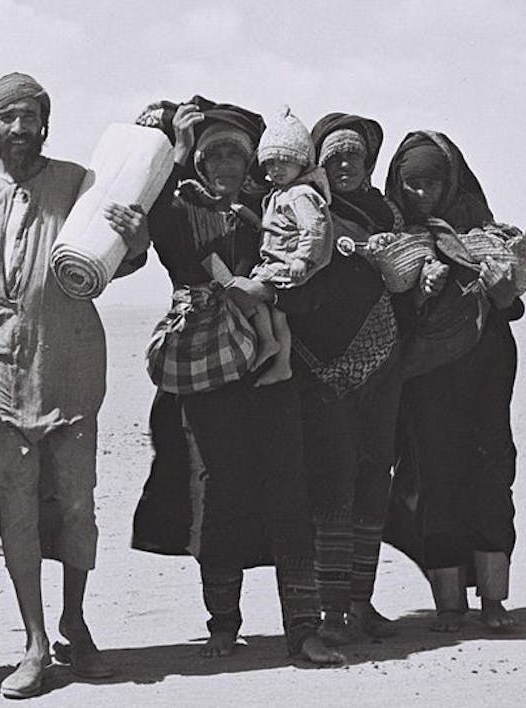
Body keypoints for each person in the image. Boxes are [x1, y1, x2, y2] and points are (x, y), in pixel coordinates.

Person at [0, 71, 149, 698]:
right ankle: (35, 641)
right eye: (9, 117)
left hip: (74, 365)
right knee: (16, 511)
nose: (21, 128)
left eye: (31, 116)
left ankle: (76, 621)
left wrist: (136, 240)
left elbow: (118, 259)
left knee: (78, 505)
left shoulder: (79, 183)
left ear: (46, 124)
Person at [139, 97, 343, 665]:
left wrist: (268, 292)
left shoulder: (272, 205)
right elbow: (166, 234)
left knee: (289, 491)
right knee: (217, 493)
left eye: (235, 154)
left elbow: (311, 276)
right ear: (200, 163)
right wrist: (178, 152)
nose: (225, 164)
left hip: (269, 370)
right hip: (204, 365)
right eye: (214, 155)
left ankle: (303, 629)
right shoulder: (179, 207)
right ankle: (223, 625)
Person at [383, 130, 523, 633]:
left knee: (492, 477)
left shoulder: (483, 229)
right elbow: (386, 311)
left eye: (432, 182)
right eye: (412, 184)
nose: (422, 193)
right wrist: (418, 294)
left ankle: (493, 601)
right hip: (427, 377)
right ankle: (448, 605)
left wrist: (503, 292)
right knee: (436, 480)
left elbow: (511, 306)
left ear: (451, 181)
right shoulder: (393, 237)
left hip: (487, 371)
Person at [286, 113, 411, 645]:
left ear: (368, 162)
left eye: (353, 155)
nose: (343, 165)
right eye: (333, 156)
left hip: (383, 364)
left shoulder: (386, 212)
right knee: (333, 484)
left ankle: (361, 602)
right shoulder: (303, 205)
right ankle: (332, 610)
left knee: (373, 479)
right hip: (319, 366)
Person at [239, 105, 334, 386]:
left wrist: (303, 258)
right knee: (275, 313)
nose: (276, 169)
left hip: (287, 265)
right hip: (275, 263)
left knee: (254, 297)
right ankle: (277, 356)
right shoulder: (281, 193)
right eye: (271, 163)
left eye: (285, 162)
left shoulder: (300, 194)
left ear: (301, 163)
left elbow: (314, 227)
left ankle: (272, 348)